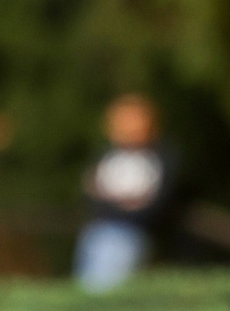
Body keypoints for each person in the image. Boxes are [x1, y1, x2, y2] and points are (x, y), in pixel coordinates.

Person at [73, 94, 171, 291]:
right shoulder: (107, 155)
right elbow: (91, 192)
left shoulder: (158, 159)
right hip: (97, 231)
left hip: (128, 235)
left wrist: (113, 203)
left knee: (107, 289)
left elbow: (152, 204)